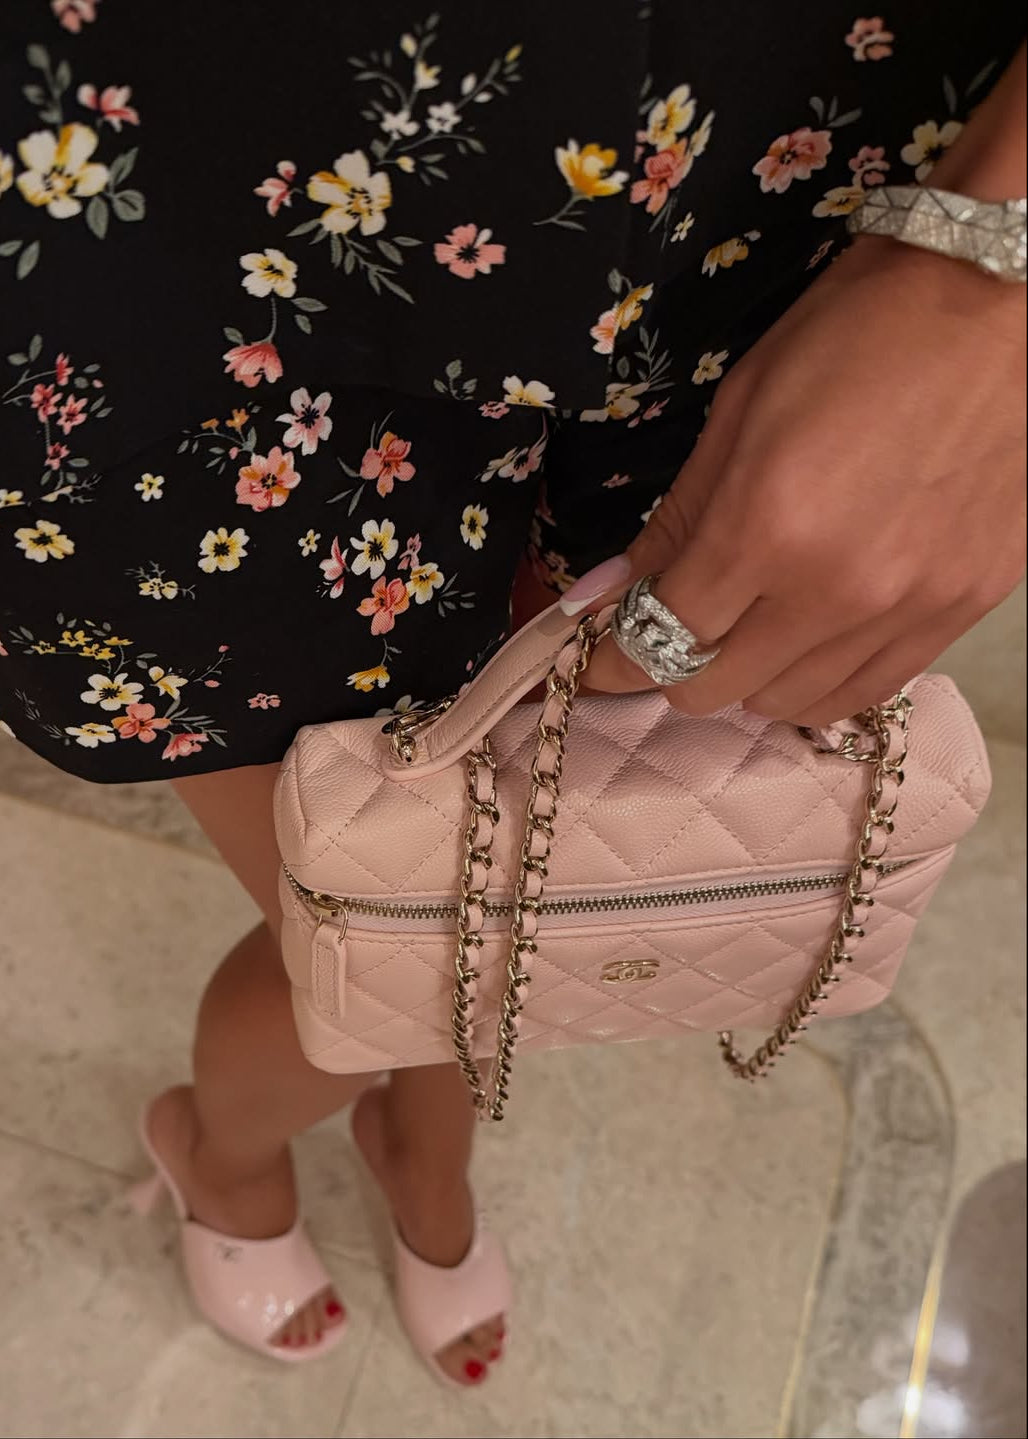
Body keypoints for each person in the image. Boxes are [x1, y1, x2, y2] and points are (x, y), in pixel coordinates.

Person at [1, 0, 1024, 1386]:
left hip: (760, 151)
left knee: (533, 873)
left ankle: (425, 1141)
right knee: (400, 946)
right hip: (197, 217)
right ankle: (222, 1147)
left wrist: (992, 282)